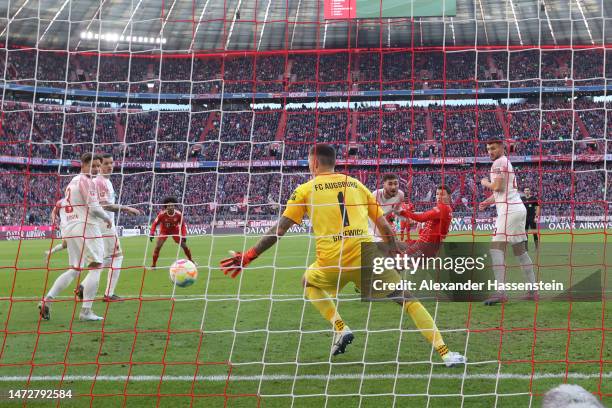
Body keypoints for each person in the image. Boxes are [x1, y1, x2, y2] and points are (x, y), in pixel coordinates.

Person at [220, 144, 466, 366]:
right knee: (409, 300)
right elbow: (384, 227)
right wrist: (392, 251)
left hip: (331, 260)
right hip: (366, 254)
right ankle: (446, 354)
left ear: (314, 163)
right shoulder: (356, 184)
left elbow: (280, 229)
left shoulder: (305, 190)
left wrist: (249, 256)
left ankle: (340, 326)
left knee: (308, 282)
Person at [39, 153, 112, 322]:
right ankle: (86, 311)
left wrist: (55, 210)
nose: (95, 169)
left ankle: (47, 300)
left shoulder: (72, 182)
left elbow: (62, 203)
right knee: (97, 266)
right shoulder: (86, 181)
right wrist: (106, 218)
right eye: (92, 166)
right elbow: (93, 207)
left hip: (70, 228)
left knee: (75, 269)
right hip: (86, 227)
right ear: (83, 165)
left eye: (97, 166)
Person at [78, 153, 141, 302]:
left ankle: (84, 286)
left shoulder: (106, 181)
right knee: (117, 256)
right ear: (100, 167)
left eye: (111, 163)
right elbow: (103, 205)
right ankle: (109, 294)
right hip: (104, 224)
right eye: (106, 163)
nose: (109, 166)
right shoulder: (100, 181)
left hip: (104, 223)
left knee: (106, 258)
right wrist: (126, 209)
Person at [480, 140, 536, 305]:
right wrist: (487, 202)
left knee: (496, 248)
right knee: (519, 250)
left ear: (502, 148)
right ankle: (533, 290)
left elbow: (496, 187)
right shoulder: (506, 162)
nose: (490, 151)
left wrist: (484, 182)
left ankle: (500, 292)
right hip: (517, 209)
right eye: (488, 148)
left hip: (510, 211)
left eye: (493, 148)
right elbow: (502, 192)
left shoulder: (498, 162)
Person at [398, 185, 452, 258]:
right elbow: (440, 231)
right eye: (437, 194)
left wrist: (403, 212)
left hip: (425, 247)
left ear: (449, 196)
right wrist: (421, 229)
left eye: (442, 194)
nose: (439, 196)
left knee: (399, 261)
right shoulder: (446, 209)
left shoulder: (443, 208)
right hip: (424, 244)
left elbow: (422, 218)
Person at [149, 197, 193, 268]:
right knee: (158, 247)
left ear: (174, 206)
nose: (170, 207)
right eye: (168, 206)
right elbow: (154, 223)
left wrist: (184, 235)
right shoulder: (161, 214)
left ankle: (191, 260)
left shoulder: (178, 214)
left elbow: (183, 225)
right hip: (164, 231)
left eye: (172, 205)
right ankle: (154, 264)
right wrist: (152, 233)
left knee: (184, 246)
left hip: (175, 231)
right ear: (166, 207)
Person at [368, 173, 405, 242]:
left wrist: (408, 217)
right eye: (390, 184)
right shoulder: (375, 195)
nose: (393, 187)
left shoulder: (400, 195)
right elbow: (374, 217)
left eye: (396, 183)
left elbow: (397, 210)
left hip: (386, 228)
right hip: (372, 229)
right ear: (384, 185)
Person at [522, 187, 540, 251]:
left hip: (532, 217)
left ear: (529, 191)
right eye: (525, 190)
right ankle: (526, 248)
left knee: (534, 232)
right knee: (525, 233)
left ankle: (537, 247)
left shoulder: (533, 198)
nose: (526, 191)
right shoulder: (522, 199)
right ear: (524, 191)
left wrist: (536, 216)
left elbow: (538, 207)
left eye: (527, 190)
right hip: (524, 218)